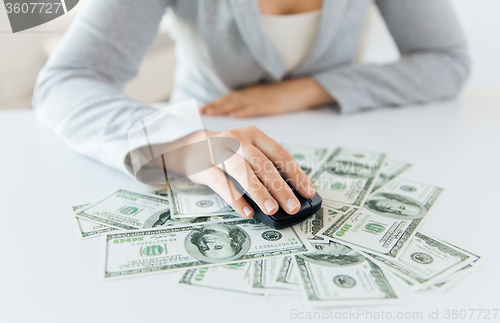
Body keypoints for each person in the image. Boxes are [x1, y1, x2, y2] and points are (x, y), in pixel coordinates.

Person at [32, 0, 469, 219]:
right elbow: (66, 79)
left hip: (342, 132)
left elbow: (447, 60)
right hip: (207, 143)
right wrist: (180, 143)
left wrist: (311, 89)